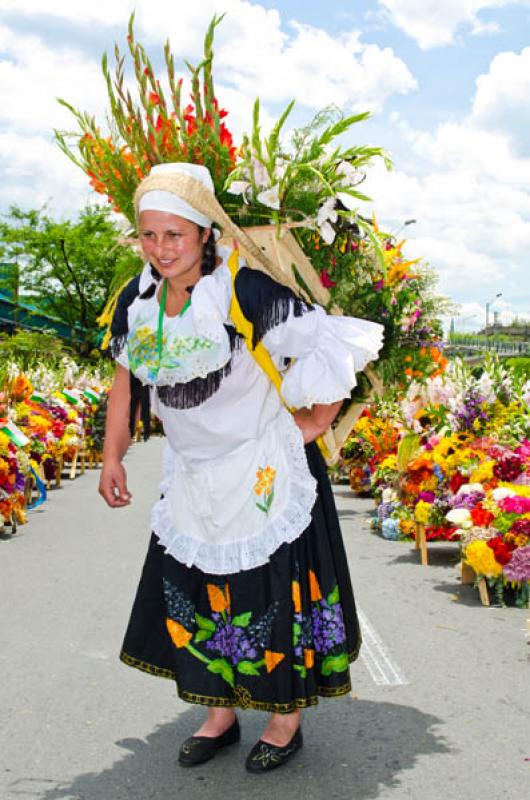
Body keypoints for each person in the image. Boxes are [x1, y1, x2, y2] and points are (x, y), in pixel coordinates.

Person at [99, 162, 384, 773]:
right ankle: (219, 714)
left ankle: (284, 723)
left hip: (262, 470)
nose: (160, 249)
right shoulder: (136, 300)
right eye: (149, 235)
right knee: (201, 596)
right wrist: (111, 455)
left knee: (268, 594)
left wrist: (313, 423)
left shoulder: (244, 288)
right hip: (193, 476)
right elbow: (124, 382)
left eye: (174, 234)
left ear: (206, 232)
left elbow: (329, 342)